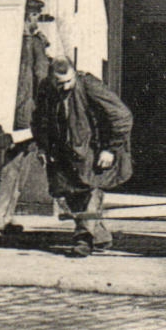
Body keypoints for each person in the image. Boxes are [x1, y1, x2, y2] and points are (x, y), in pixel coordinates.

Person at [35, 57, 134, 257]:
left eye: (68, 81)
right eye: (59, 83)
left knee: (90, 191)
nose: (65, 87)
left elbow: (122, 116)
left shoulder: (89, 85)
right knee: (70, 193)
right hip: (63, 151)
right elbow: (39, 119)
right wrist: (43, 148)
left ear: (74, 73)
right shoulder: (46, 87)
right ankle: (100, 236)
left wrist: (110, 149)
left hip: (93, 149)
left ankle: (83, 239)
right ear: (51, 78)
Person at [0, 0, 53, 241]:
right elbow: (41, 78)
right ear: (28, 17)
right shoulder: (34, 43)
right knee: (14, 166)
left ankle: (5, 216)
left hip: (4, 112)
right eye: (35, 16)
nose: (37, 21)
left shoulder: (6, 40)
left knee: (9, 165)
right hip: (26, 114)